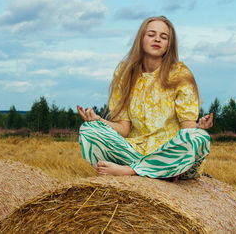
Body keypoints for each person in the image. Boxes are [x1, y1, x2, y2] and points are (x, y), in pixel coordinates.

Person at [77, 16, 213, 180]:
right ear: (140, 39)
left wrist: (200, 126)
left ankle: (132, 171)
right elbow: (124, 129)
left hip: (171, 154)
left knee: (199, 138)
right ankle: (156, 171)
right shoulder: (124, 75)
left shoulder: (180, 74)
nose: (157, 39)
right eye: (151, 34)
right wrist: (98, 120)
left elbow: (187, 127)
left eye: (164, 37)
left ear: (169, 45)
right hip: (135, 152)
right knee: (89, 130)